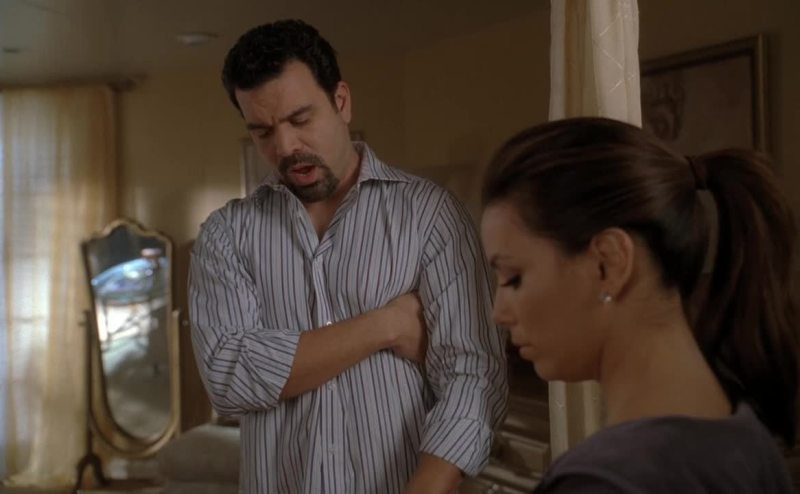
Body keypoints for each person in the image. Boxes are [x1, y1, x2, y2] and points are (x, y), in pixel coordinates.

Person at [189, 19, 507, 493]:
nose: (285, 147)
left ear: (341, 101)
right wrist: (386, 325)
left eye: (300, 120)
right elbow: (230, 378)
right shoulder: (226, 235)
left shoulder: (430, 215)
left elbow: (474, 376)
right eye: (262, 131)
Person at [480, 117, 797, 492]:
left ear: (608, 263)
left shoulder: (605, 483)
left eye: (513, 277)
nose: (499, 313)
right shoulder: (748, 439)